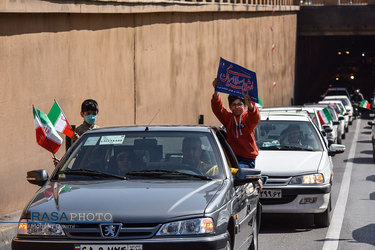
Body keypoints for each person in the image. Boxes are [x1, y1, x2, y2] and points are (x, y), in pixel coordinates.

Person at [211, 78, 262, 190]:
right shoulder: (228, 119)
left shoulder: (247, 119)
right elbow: (217, 109)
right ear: (230, 107)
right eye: (234, 104)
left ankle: (255, 178)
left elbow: (255, 118)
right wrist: (216, 92)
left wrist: (251, 107)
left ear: (243, 106)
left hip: (247, 160)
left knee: (236, 175)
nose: (237, 107)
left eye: (239, 104)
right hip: (232, 158)